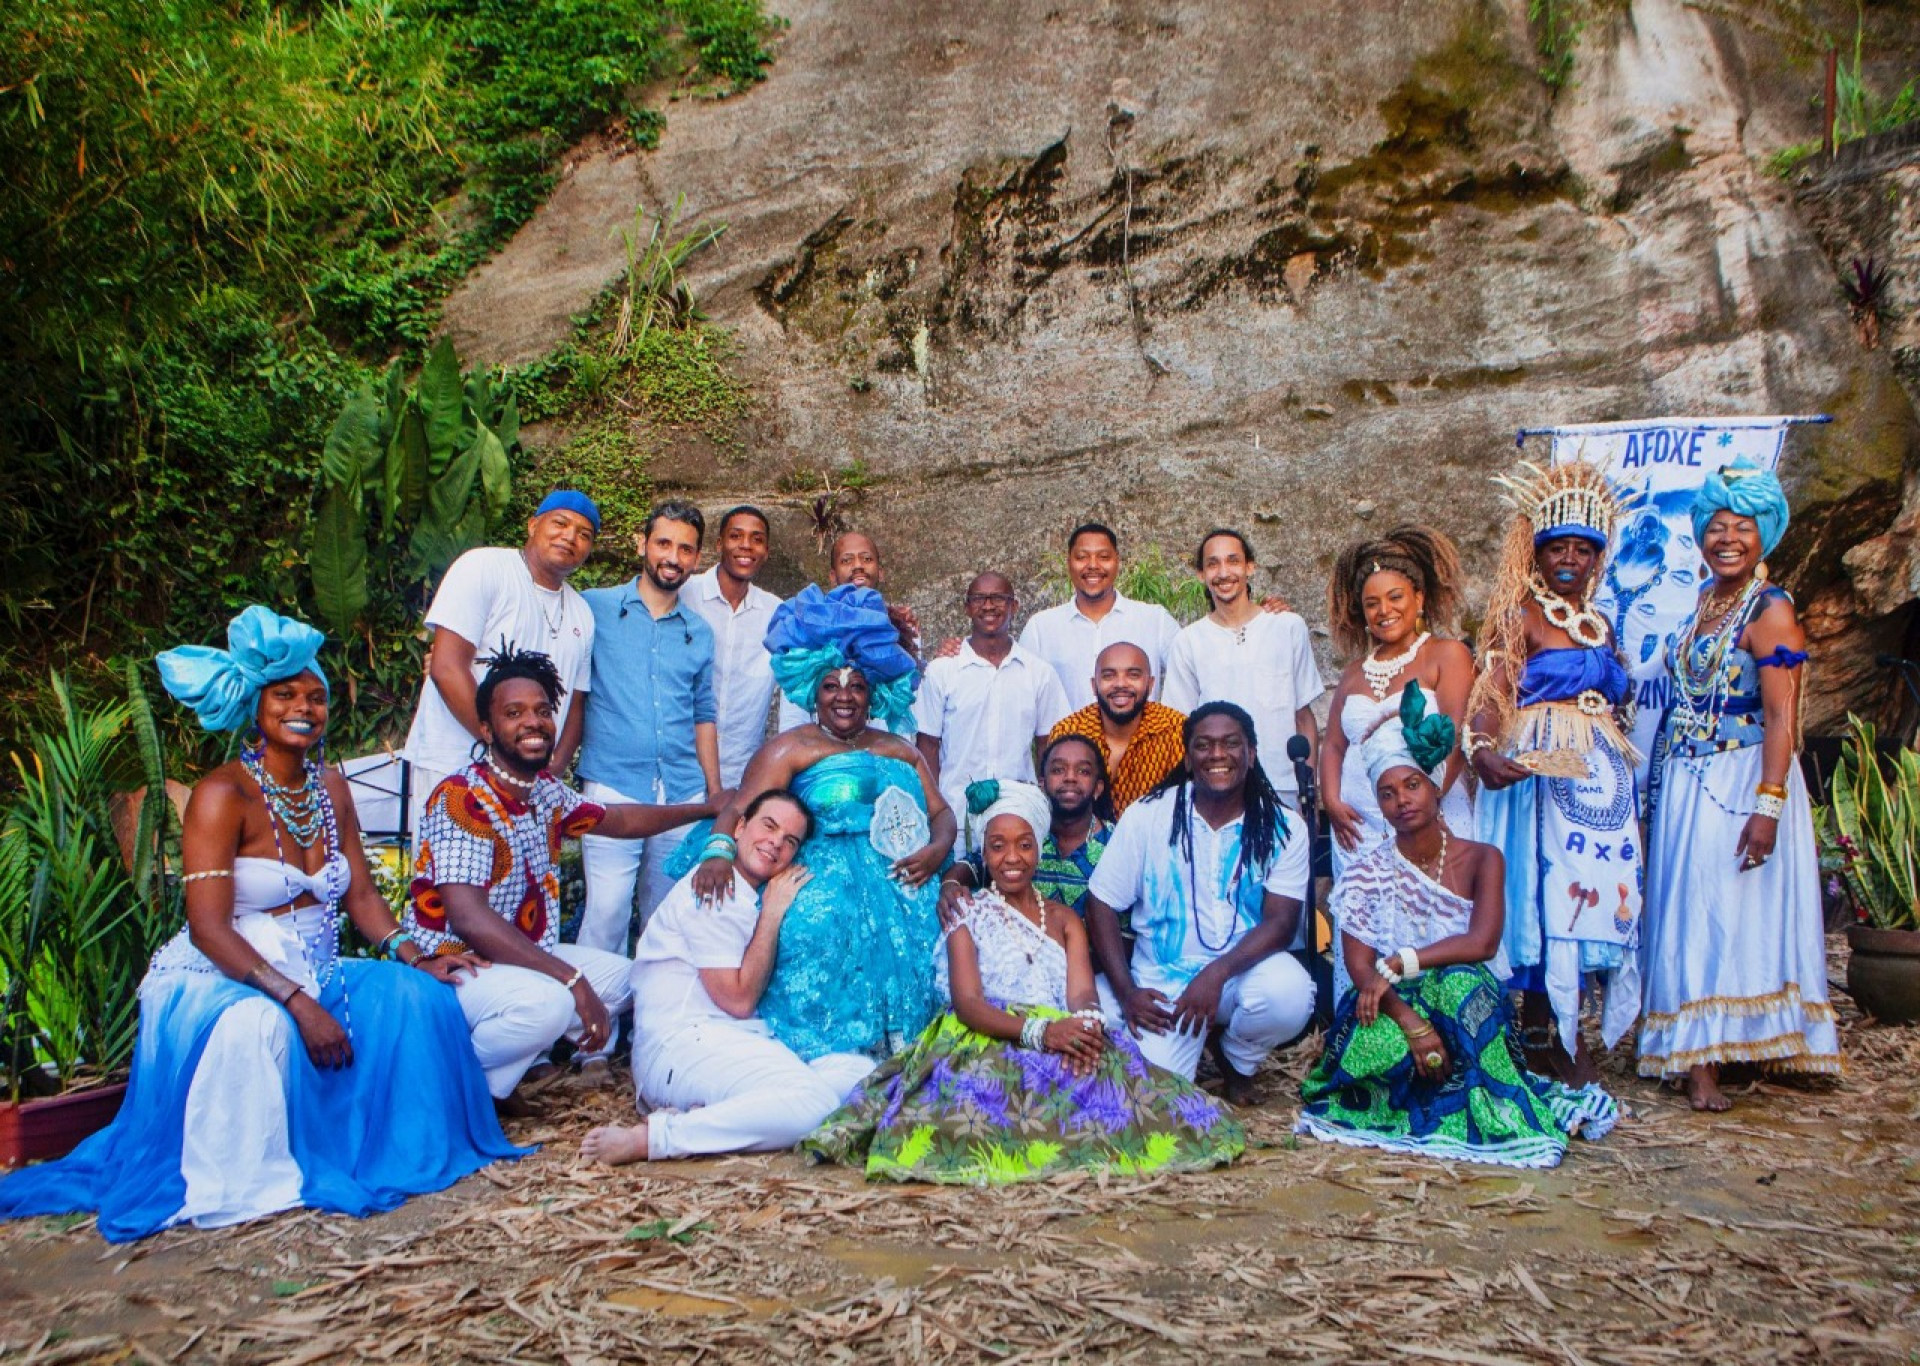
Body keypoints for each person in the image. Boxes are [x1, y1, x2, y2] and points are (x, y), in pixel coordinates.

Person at [0, 607, 521, 1241]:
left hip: (314, 963)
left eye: (316, 696)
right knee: (260, 1027)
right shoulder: (223, 794)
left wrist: (416, 955)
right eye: (286, 695)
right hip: (225, 971)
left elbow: (359, 892)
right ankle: (260, 1170)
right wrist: (299, 1002)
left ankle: (374, 1151)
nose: (305, 706)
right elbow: (207, 930)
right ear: (255, 707)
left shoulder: (331, 786)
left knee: (420, 999)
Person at [805, 782, 1245, 1182]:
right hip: (985, 1035)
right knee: (978, 1108)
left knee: (1123, 1092)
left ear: (1039, 849)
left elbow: (1080, 992)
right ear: (983, 853)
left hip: (1059, 1029)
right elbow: (968, 1004)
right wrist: (1040, 1033)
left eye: (1023, 845)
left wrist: (1087, 1026)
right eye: (996, 847)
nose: (1011, 858)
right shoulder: (966, 913)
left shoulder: (1065, 918)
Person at [1298, 684, 1618, 1167]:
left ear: (1433, 786)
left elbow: (1482, 942)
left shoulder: (1482, 858)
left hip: (1460, 992)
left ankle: (1477, 1106)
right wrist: (1409, 1020)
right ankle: (1406, 1102)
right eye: (1387, 793)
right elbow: (1361, 967)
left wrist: (1404, 961)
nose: (1401, 801)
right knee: (1378, 1041)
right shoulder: (1366, 871)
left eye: (1411, 786)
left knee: (1460, 985)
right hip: (1393, 999)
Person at [405, 647, 715, 1107]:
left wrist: (707, 807)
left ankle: (493, 1091)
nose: (533, 722)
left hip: (518, 960)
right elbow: (469, 919)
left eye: (542, 710)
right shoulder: (461, 799)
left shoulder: (542, 791)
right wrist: (569, 979)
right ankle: (443, 1087)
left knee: (639, 978)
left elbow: (619, 821)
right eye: (514, 713)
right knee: (549, 1006)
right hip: (456, 970)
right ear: (487, 730)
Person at [1637, 462, 1840, 1110]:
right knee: (1695, 908)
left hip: (1743, 776)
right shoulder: (1706, 599)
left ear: (1765, 534)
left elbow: (1783, 715)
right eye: (1716, 527)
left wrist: (1770, 805)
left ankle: (1713, 1058)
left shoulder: (1772, 611)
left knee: (1727, 908)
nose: (1727, 538)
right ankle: (1696, 1052)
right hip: (1691, 782)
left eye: (1742, 528)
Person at [689, 584, 955, 1060]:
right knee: (821, 932)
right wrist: (716, 852)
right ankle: (831, 1060)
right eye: (832, 686)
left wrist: (936, 851)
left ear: (873, 695)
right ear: (815, 692)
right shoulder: (791, 748)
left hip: (904, 879)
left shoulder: (900, 748)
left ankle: (910, 1059)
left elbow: (941, 813)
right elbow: (739, 810)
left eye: (856, 686)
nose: (845, 696)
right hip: (819, 879)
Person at [580, 791, 876, 1164]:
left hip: (737, 1041)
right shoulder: (714, 886)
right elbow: (737, 1001)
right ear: (738, 828)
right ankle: (655, 1138)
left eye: (790, 841)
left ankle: (705, 1113)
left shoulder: (750, 891)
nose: (775, 843)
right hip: (682, 1043)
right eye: (769, 826)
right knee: (813, 1105)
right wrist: (772, 914)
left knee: (862, 1074)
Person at [1465, 460, 1642, 1085]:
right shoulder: (1521, 617)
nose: (1569, 558)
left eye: (1582, 549)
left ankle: (1565, 1028)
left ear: (1597, 557)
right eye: (1556, 547)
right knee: (1547, 897)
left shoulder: (1600, 624)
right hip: (1541, 769)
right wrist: (1482, 749)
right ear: (1535, 554)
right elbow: (1490, 693)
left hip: (1598, 779)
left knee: (1594, 900)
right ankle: (1541, 1030)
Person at [1082, 702, 1316, 1103]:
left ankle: (1236, 1057)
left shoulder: (1284, 825)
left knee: (1290, 994)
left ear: (1252, 753)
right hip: (1164, 983)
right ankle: (1186, 1043)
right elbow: (1101, 903)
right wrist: (1128, 993)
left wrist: (1216, 974)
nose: (1217, 755)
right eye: (1204, 745)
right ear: (1188, 759)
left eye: (1231, 743)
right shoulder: (1148, 815)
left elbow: (1281, 923)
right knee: (1158, 1097)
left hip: (1243, 971)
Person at [403, 490, 600, 841]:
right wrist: (499, 746)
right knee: (450, 883)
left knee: (518, 887)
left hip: (530, 781)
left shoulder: (581, 612)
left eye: (584, 534)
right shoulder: (483, 567)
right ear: (533, 524)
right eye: (560, 523)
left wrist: (549, 768)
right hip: (457, 763)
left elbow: (576, 702)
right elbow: (447, 667)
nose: (570, 537)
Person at [575, 500, 722, 955]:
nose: (673, 558)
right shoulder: (593, 609)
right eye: (663, 543)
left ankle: (652, 1024)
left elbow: (703, 715)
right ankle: (597, 1024)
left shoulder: (699, 632)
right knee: (606, 914)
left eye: (686, 549)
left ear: (697, 559)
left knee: (666, 915)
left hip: (681, 793)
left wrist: (713, 793)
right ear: (641, 543)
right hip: (612, 787)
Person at [1320, 526, 1475, 874]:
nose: (1383, 610)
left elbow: (1457, 735)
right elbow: (1332, 745)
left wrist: (1428, 801)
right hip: (1359, 828)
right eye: (1371, 604)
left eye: (1395, 597)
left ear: (1418, 599)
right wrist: (1331, 800)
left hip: (1429, 819)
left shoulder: (1446, 655)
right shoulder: (1353, 673)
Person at [1162, 529, 1324, 807]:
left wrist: (1307, 789)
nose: (1224, 573)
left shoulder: (1288, 627)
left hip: (1284, 789)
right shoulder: (1188, 641)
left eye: (1233, 561)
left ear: (1250, 566)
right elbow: (1180, 728)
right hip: (1218, 791)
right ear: (1201, 574)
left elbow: (1303, 717)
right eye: (1213, 564)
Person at [916, 571, 1070, 834]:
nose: (988, 606)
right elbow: (927, 745)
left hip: (1020, 814)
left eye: (998, 598)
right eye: (979, 598)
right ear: (967, 608)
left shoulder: (1039, 673)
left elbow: (1049, 744)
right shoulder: (941, 671)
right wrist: (934, 809)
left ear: (1014, 606)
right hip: (955, 816)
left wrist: (1046, 801)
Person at [939, 732, 1116, 922]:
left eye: (1083, 771)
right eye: (1058, 770)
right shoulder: (1026, 831)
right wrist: (950, 883)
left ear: (1098, 788)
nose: (1070, 778)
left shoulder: (1115, 843)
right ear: (1042, 784)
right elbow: (975, 864)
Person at [1018, 523, 1181, 711]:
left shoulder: (1154, 619)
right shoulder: (1041, 628)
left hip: (1141, 740)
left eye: (1103, 557)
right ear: (1068, 562)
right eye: (1082, 557)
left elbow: (1187, 677)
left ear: (1117, 561)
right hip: (1066, 739)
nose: (1093, 565)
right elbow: (1023, 698)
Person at [777, 531, 920, 734]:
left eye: (867, 559)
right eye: (847, 560)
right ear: (833, 576)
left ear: (880, 571)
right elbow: (794, 717)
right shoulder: (811, 627)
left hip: (885, 753)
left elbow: (908, 705)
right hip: (825, 755)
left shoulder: (903, 629)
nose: (858, 565)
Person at [685, 505, 784, 788]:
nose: (746, 546)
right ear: (719, 544)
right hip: (681, 769)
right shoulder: (686, 595)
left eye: (757, 539)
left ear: (766, 551)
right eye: (736, 536)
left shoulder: (775, 613)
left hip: (743, 773)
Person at [1046, 642, 1186, 815]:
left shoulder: (1176, 730)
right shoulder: (1069, 731)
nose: (1120, 684)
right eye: (1108, 676)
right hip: (1087, 837)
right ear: (1094, 685)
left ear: (1150, 684)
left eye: (1133, 675)